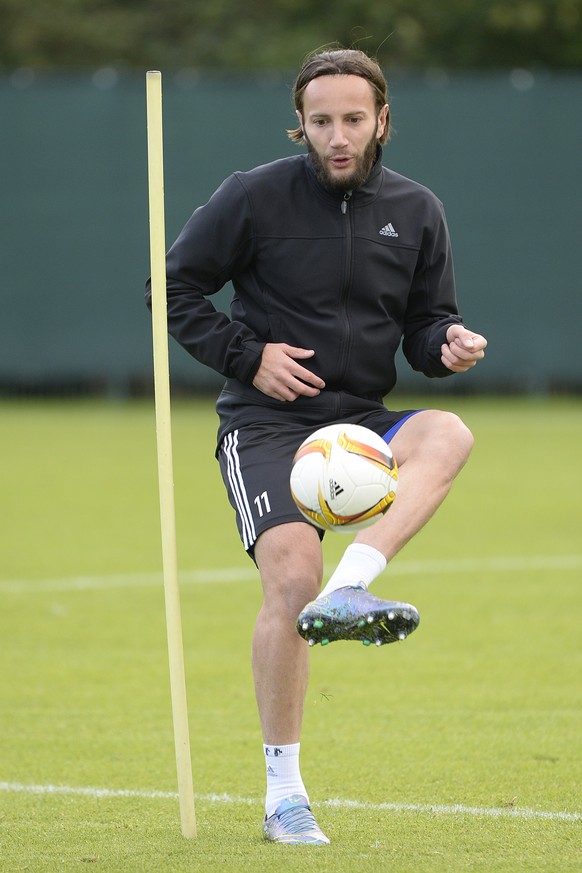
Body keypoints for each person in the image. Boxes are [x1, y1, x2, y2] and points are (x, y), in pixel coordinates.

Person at [145, 47, 487, 846]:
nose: (338, 136)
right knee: (291, 579)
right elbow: (174, 285)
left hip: (358, 424)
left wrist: (451, 344)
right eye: (322, 120)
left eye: (354, 119)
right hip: (266, 426)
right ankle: (284, 795)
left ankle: (354, 588)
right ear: (299, 123)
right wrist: (247, 355)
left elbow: (425, 327)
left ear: (382, 122)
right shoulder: (252, 197)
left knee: (449, 430)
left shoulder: (418, 209)